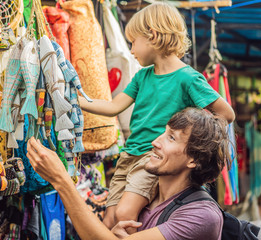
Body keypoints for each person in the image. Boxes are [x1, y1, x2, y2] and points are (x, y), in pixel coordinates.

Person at [78, 1, 235, 231]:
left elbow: (226, 114)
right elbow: (113, 107)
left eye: (133, 42)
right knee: (109, 218)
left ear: (152, 35)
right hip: (128, 155)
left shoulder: (188, 78)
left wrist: (194, 137)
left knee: (124, 213)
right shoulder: (143, 76)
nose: (130, 50)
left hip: (151, 158)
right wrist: (78, 100)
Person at [27, 107, 231, 239]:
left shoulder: (202, 216)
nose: (155, 142)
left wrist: (61, 180)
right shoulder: (145, 200)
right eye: (164, 132)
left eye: (171, 138)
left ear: (194, 159)